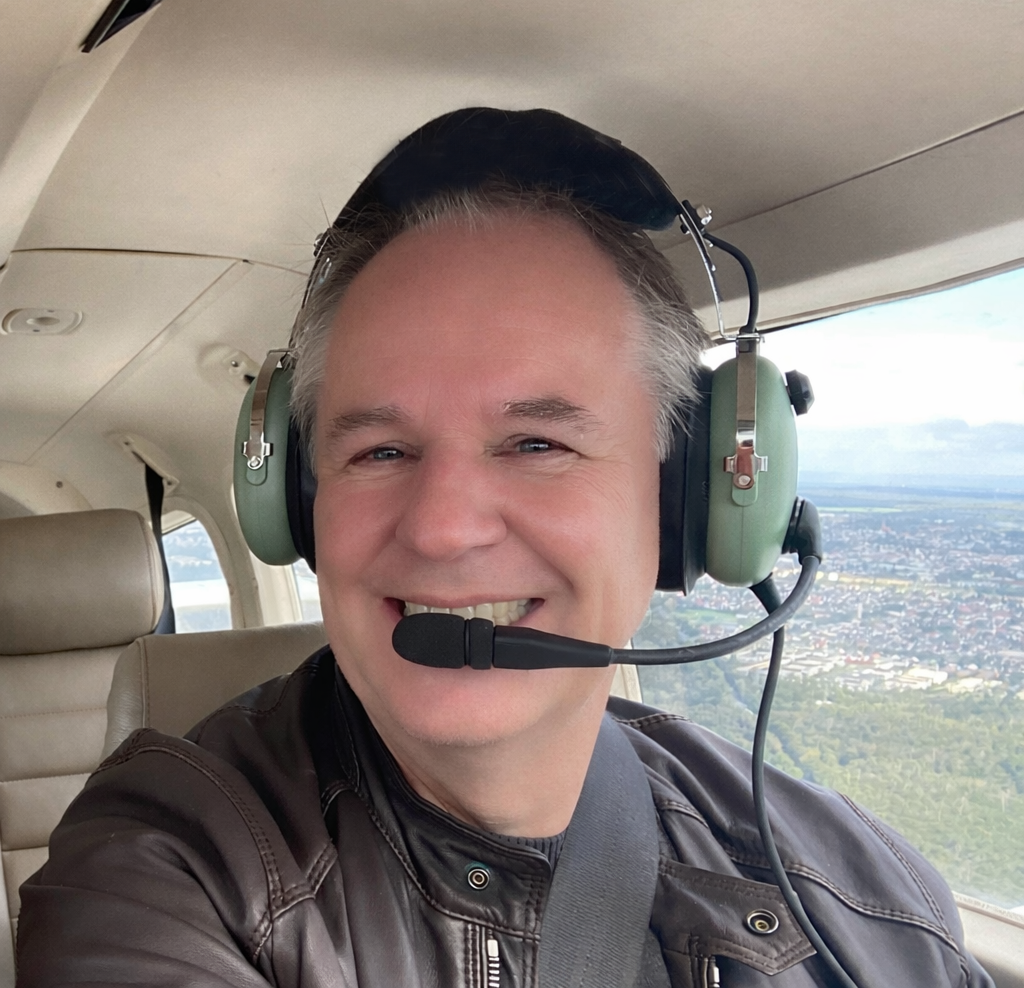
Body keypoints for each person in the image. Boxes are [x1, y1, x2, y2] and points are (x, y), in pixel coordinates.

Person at [17, 109, 992, 988]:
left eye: (538, 444)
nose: (442, 526)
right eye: (381, 448)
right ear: (300, 506)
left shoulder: (864, 897)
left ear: (682, 500)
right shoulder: (173, 867)